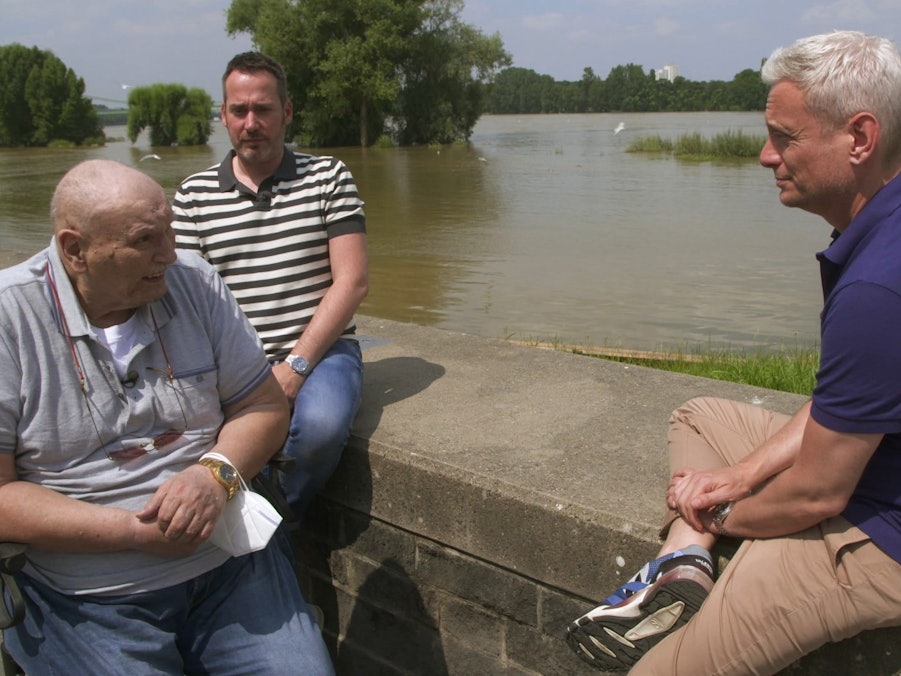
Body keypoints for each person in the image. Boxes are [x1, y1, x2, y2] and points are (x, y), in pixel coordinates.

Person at [566, 30, 901, 674]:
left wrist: (720, 511)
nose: (763, 155)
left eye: (785, 136)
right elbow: (852, 400)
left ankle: (692, 551)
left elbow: (817, 496)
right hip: (871, 461)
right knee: (699, 415)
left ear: (860, 138)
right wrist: (742, 475)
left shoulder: (880, 289)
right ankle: (684, 563)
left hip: (879, 528)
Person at [0, 159, 334, 675]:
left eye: (170, 232)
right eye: (145, 240)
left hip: (229, 566)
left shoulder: (194, 283)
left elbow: (263, 405)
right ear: (75, 250)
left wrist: (215, 474)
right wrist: (132, 534)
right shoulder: (8, 318)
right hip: (86, 597)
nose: (170, 254)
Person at [173, 51, 369, 518]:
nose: (251, 122)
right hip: (231, 359)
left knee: (320, 427)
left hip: (323, 352)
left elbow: (353, 280)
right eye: (239, 110)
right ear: (223, 115)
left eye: (263, 109)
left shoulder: (328, 178)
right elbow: (186, 299)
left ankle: (277, 523)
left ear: (287, 112)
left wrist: (296, 366)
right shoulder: (192, 195)